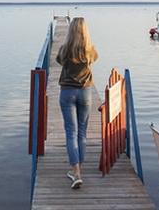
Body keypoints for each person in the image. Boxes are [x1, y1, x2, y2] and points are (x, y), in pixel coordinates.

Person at [56, 17, 99, 189]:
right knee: (82, 131)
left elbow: (59, 61)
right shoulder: (91, 51)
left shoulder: (64, 50)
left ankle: (76, 172)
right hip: (85, 92)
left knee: (71, 132)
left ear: (70, 31)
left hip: (67, 92)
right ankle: (78, 168)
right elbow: (95, 59)